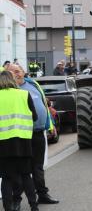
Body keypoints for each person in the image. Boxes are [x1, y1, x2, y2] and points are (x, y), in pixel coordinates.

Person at [5, 65, 58, 206]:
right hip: (21, 136)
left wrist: (51, 125)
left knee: (38, 167)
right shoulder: (7, 90)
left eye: (18, 71)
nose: (16, 74)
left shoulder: (33, 84)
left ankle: (42, 194)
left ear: (23, 72)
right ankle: (17, 200)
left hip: (39, 132)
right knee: (20, 171)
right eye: (11, 71)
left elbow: (44, 105)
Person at [0, 71, 39, 211]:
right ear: (12, 80)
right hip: (23, 142)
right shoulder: (23, 94)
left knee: (6, 178)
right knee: (26, 175)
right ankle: (34, 206)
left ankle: (8, 208)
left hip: (3, 144)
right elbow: (34, 117)